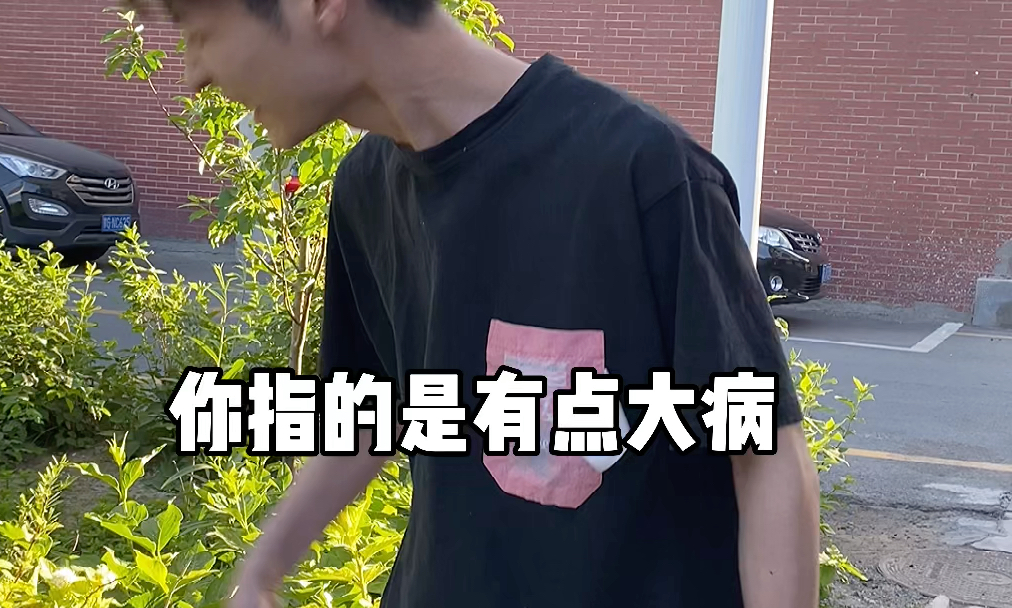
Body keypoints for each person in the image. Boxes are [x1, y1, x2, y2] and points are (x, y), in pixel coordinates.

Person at [127, 0, 822, 606]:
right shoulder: (366, 191)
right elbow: (371, 412)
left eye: (200, 29)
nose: (195, 75)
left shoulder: (640, 171)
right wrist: (264, 568)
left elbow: (764, 450)